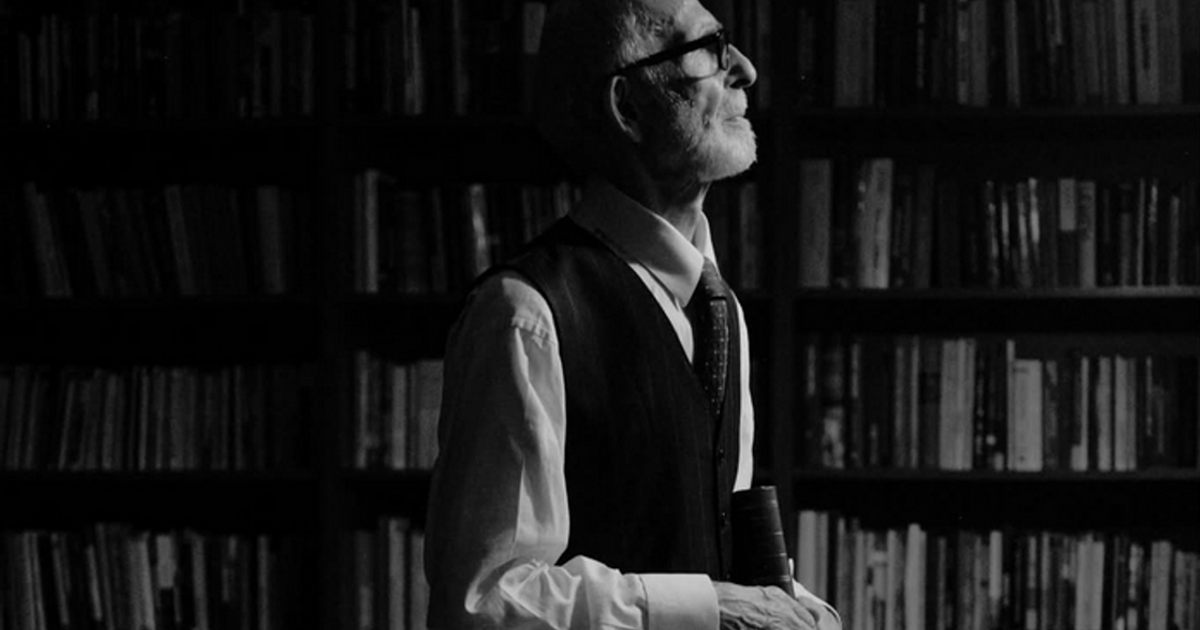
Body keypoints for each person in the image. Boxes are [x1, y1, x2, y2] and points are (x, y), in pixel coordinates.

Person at [425, 1, 842, 629]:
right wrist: (710, 609)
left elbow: (713, 542)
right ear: (628, 107)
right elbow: (481, 602)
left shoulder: (720, 308)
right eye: (708, 48)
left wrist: (799, 611)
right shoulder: (525, 315)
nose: (746, 68)